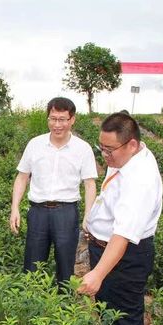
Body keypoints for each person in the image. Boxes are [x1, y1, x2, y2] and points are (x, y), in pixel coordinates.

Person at [77, 112, 162, 325]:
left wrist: (98, 274)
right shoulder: (126, 159)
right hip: (107, 250)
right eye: (101, 148)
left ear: (132, 144)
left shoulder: (140, 179)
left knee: (124, 321)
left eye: (109, 149)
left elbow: (122, 236)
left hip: (123, 258)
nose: (105, 155)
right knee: (109, 317)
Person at [9, 97, 98, 285]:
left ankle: (64, 308)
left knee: (65, 266)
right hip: (38, 211)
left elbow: (89, 184)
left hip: (66, 213)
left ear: (72, 119)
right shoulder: (35, 144)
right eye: (53, 118)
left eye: (62, 119)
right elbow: (22, 177)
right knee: (32, 265)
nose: (57, 124)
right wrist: (15, 208)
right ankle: (31, 307)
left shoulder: (83, 149)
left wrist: (88, 216)